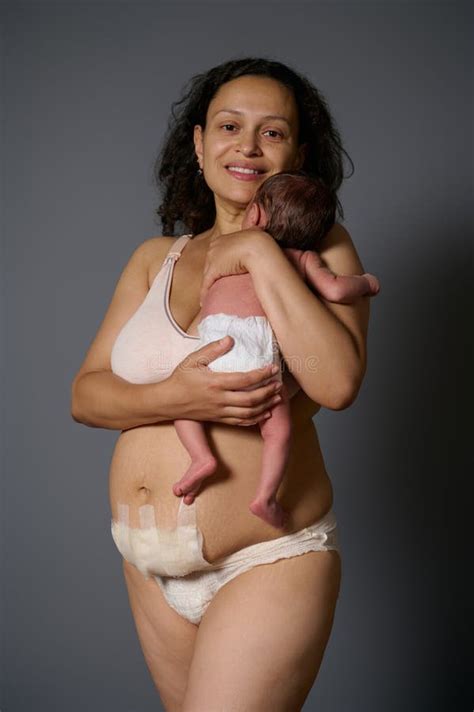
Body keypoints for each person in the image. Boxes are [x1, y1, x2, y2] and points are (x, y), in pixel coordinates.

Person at [71, 57, 373, 710]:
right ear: (200, 143)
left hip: (266, 558)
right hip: (148, 564)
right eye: (231, 126)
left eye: (274, 132)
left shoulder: (323, 247)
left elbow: (338, 380)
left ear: (297, 152)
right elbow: (87, 395)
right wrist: (172, 397)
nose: (248, 146)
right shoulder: (156, 259)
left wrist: (258, 252)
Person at [171, 170, 380, 530]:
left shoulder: (224, 254)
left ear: (254, 215)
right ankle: (265, 496)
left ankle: (201, 456)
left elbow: (206, 296)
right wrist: (364, 283)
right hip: (258, 356)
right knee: (277, 431)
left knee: (184, 406)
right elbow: (333, 290)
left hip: (216, 344)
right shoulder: (301, 259)